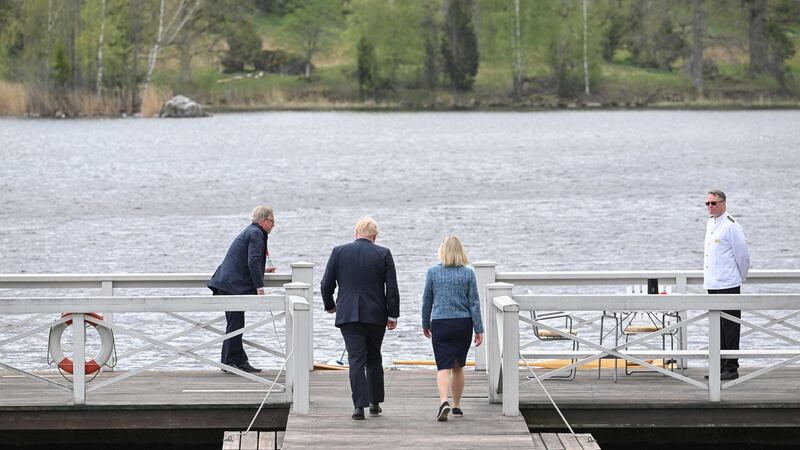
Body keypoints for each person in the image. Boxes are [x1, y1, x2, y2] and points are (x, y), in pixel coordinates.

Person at [320, 216, 400, 420]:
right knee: (374, 357)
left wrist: (330, 305)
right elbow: (391, 288)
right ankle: (374, 403)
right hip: (375, 314)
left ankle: (358, 408)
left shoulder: (339, 251)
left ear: (356, 234)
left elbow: (326, 283)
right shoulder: (383, 253)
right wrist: (393, 314)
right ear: (374, 236)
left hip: (347, 314)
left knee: (355, 359)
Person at [421, 235, 484, 422]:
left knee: (443, 367)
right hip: (462, 324)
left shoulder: (432, 272)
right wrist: (478, 329)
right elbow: (474, 303)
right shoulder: (468, 273)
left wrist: (425, 323)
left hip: (441, 322)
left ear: (443, 251)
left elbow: (427, 301)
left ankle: (443, 402)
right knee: (458, 366)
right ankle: (456, 406)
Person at [208, 206, 277, 373]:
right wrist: (259, 287)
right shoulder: (255, 233)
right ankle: (230, 362)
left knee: (235, 323)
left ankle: (235, 361)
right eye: (272, 221)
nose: (273, 225)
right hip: (231, 285)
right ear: (264, 221)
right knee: (236, 323)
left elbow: (249, 261)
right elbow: (252, 261)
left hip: (228, 283)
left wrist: (262, 271)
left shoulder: (252, 231)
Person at [703, 190, 750, 381]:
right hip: (713, 283)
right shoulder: (710, 223)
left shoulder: (731, 226)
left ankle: (731, 367)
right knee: (718, 329)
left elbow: (743, 256)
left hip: (728, 284)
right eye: (708, 204)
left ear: (724, 203)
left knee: (730, 328)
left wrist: (741, 277)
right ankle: (720, 365)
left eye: (714, 203)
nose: (710, 207)